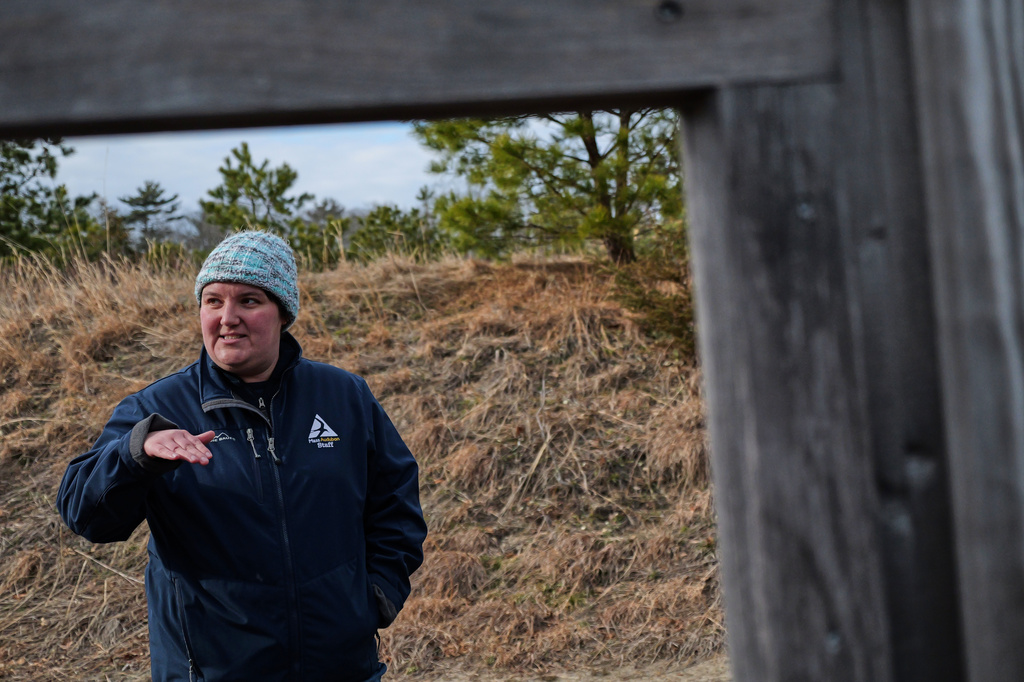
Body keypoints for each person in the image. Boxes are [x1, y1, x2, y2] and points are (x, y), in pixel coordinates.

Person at [57, 231, 427, 682]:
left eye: (248, 301)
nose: (227, 318)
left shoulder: (344, 396)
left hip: (340, 666)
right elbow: (85, 515)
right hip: (213, 671)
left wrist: (375, 595)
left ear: (282, 313)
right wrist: (135, 455)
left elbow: (396, 502)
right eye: (212, 301)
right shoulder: (157, 410)